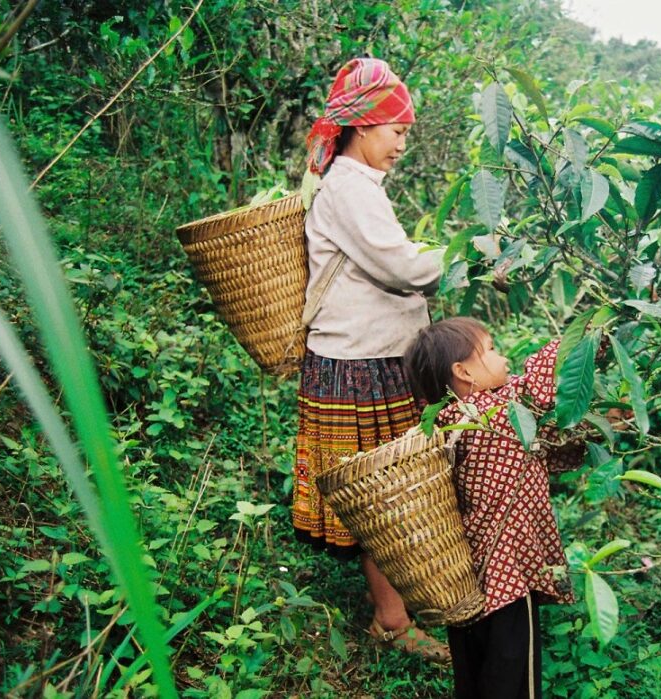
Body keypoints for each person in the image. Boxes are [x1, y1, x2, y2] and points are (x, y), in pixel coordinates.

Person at [291, 57, 449, 663]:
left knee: (388, 489)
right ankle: (390, 619)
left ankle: (401, 604)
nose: (401, 145)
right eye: (397, 132)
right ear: (362, 128)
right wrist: (464, 254)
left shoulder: (355, 183)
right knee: (378, 495)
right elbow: (402, 266)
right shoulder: (350, 188)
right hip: (359, 366)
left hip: (372, 359)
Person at [404, 317, 588, 699]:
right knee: (515, 681)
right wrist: (587, 336)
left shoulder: (447, 421)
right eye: (490, 349)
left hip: (470, 578)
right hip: (510, 576)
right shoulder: (496, 411)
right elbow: (547, 380)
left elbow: (546, 447)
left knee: (474, 679)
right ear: (463, 372)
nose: (503, 357)